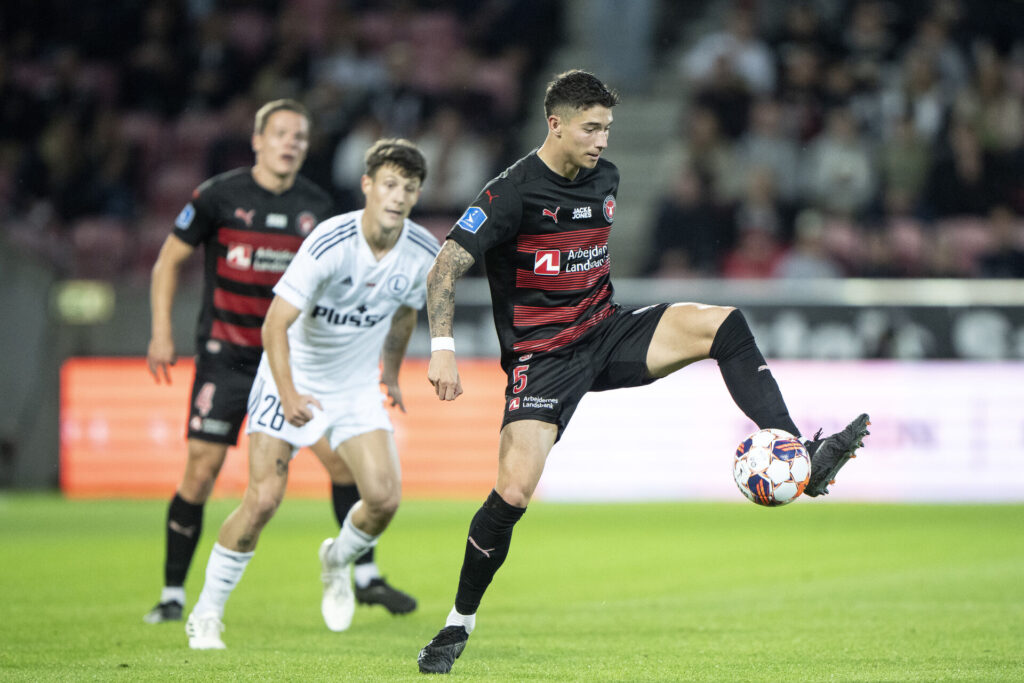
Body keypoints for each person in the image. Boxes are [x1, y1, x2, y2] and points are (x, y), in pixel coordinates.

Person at [416, 70, 870, 674]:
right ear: (555, 124)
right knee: (513, 492)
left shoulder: (607, 178)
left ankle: (802, 457)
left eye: (607, 128)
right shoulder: (510, 193)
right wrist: (442, 345)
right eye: (592, 128)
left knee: (723, 323)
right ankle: (457, 624)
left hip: (606, 331)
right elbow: (445, 266)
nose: (603, 141)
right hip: (542, 359)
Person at [144, 100, 415, 627]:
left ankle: (363, 576)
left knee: (342, 464)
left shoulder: (319, 207)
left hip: (293, 362)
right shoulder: (217, 196)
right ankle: (173, 592)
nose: (291, 142)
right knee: (200, 472)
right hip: (227, 357)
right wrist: (160, 332)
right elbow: (168, 260)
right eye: (282, 133)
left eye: (300, 135)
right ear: (258, 140)